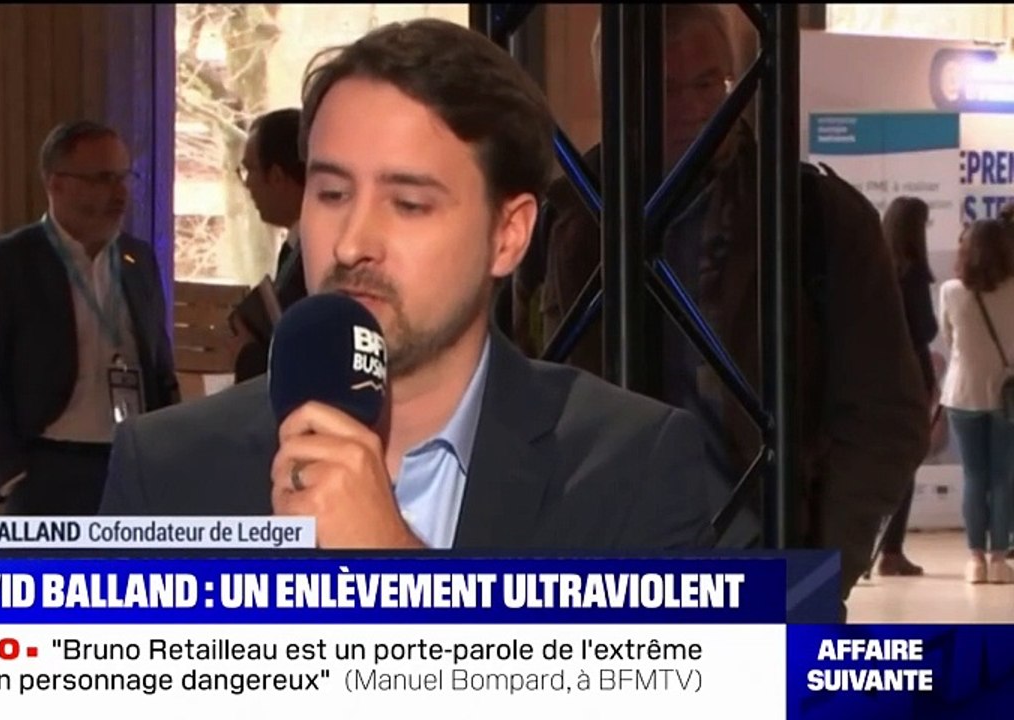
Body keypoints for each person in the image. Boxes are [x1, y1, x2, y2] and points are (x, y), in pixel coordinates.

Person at [99, 18, 716, 551]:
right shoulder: (165, 470)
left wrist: (393, 569)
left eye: (409, 204)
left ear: (509, 234)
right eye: (331, 193)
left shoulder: (631, 469)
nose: (351, 243)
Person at [515, 5, 929, 596]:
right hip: (601, 569)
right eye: (666, 89)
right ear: (617, 97)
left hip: (763, 557)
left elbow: (885, 412)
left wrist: (819, 566)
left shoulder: (813, 218)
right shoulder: (559, 223)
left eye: (709, 82)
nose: (693, 106)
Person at [0, 120, 181, 516]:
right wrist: (10, 475)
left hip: (127, 465)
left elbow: (160, 369)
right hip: (43, 468)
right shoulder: (4, 264)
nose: (119, 192)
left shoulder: (139, 260)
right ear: (56, 183)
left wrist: (164, 459)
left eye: (124, 177)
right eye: (102, 179)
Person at [938, 219, 1014, 584]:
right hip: (1006, 395)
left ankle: (975, 559)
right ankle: (999, 559)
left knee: (973, 475)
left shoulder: (951, 291)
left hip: (962, 392)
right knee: (1002, 476)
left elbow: (949, 339)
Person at [876, 197, 939, 576]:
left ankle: (876, 544)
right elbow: (925, 329)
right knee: (906, 463)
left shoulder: (875, 268)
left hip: (879, 374)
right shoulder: (913, 274)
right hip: (912, 375)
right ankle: (892, 549)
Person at [232, 108, 309, 382]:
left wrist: (249, 354)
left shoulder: (317, 257)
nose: (247, 184)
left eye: (250, 169)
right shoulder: (295, 248)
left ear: (276, 176)